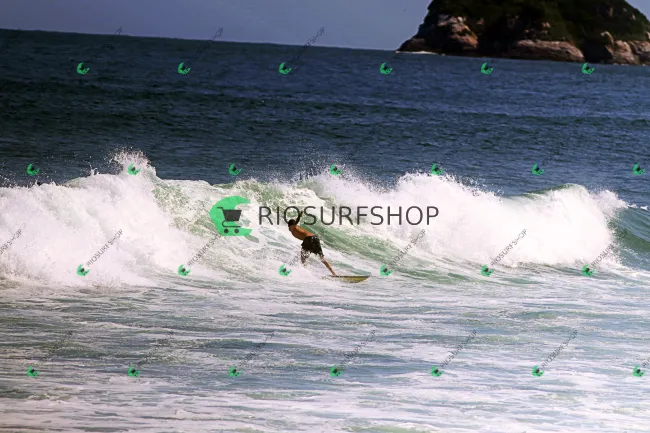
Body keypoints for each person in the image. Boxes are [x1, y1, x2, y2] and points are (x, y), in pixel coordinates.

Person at [287, 209, 337, 276]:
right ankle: (334, 274)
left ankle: (306, 274)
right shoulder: (296, 228)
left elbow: (296, 222)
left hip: (308, 239)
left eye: (288, 226)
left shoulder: (293, 227)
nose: (288, 228)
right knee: (322, 258)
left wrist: (299, 215)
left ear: (290, 225)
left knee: (303, 258)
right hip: (315, 238)